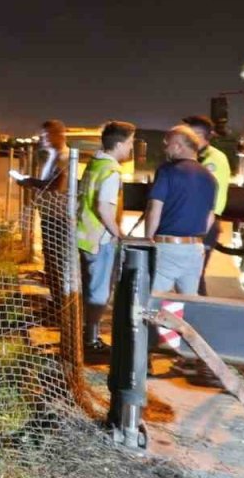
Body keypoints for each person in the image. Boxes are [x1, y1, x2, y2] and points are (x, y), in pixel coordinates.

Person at [76, 120, 136, 353]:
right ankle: (90, 341)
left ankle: (86, 335)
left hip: (85, 236)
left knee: (90, 289)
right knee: (99, 292)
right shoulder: (111, 171)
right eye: (130, 143)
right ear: (119, 144)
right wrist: (119, 235)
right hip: (99, 241)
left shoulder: (95, 163)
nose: (131, 148)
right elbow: (103, 208)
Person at [145, 125, 218, 295]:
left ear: (178, 146)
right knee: (188, 301)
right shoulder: (210, 177)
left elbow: (155, 209)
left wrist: (148, 238)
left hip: (168, 247)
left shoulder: (167, 171)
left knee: (153, 300)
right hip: (195, 249)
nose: (165, 148)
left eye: (167, 144)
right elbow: (210, 217)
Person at [16, 120, 71, 306]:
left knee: (56, 263)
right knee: (51, 262)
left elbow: (57, 186)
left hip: (58, 217)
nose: (43, 139)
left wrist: (30, 181)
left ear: (59, 135)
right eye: (43, 135)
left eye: (47, 135)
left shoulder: (63, 157)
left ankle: (60, 308)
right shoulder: (54, 156)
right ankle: (57, 304)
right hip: (50, 215)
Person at [181, 115, 232, 295]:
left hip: (203, 224)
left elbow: (208, 197)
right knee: (188, 276)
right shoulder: (198, 157)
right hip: (195, 223)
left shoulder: (213, 159)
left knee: (194, 276)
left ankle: (197, 317)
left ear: (197, 135)